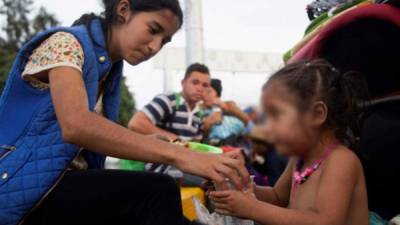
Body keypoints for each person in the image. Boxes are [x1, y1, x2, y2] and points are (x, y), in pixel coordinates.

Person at [0, 1, 249, 225]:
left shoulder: (107, 70)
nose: (155, 47)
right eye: (153, 30)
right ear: (123, 9)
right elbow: (76, 125)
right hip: (16, 185)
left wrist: (152, 144)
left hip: (56, 184)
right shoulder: (66, 44)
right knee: (158, 191)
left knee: (165, 206)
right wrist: (179, 156)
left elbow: (91, 131)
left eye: (164, 41)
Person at [210, 59, 369, 225]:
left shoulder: (341, 161)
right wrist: (237, 186)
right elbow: (277, 197)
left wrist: (252, 208)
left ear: (317, 114)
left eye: (276, 115)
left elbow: (324, 221)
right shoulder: (299, 159)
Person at [129, 63, 211, 142]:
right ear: (183, 83)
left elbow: (196, 143)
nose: (200, 88)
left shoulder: (200, 114)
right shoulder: (168, 100)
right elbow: (136, 123)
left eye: (205, 85)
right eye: (195, 82)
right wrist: (176, 140)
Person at [202, 78, 251, 146]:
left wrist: (225, 107)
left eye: (208, 92)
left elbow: (247, 121)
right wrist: (207, 126)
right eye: (203, 92)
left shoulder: (230, 105)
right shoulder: (200, 110)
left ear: (217, 93)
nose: (204, 95)